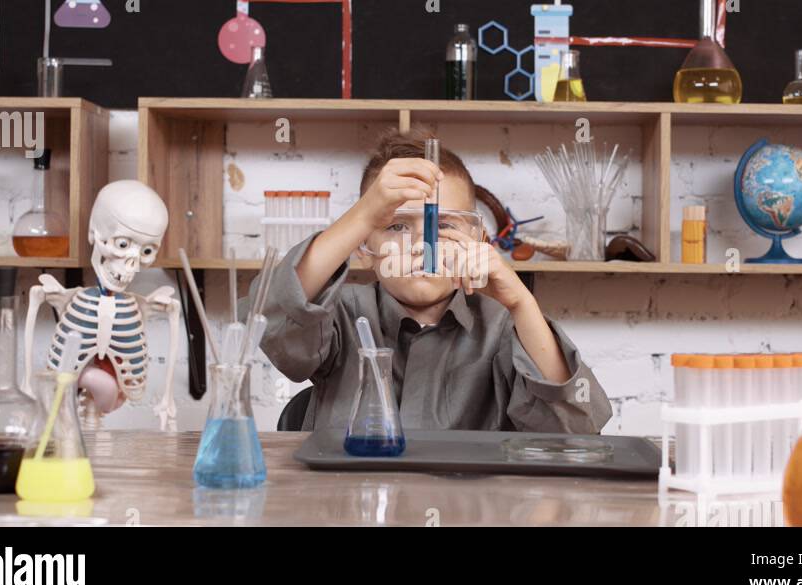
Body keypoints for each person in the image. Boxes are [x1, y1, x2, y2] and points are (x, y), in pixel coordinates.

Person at [261, 129, 611, 433]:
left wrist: (521, 303)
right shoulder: (339, 314)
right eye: (395, 226)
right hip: (355, 506)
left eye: (443, 226)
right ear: (363, 247)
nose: (421, 245)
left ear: (479, 241)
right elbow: (279, 317)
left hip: (469, 509)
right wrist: (363, 215)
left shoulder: (505, 328)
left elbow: (575, 430)